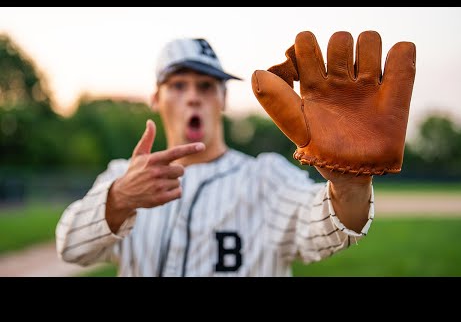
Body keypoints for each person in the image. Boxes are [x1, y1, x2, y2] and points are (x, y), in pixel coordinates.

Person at [55, 37, 374, 277]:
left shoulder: (264, 178)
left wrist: (349, 189)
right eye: (178, 85)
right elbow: (70, 248)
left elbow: (320, 227)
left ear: (223, 98)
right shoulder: (125, 176)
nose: (193, 97)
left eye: (206, 86)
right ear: (156, 98)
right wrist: (120, 198)